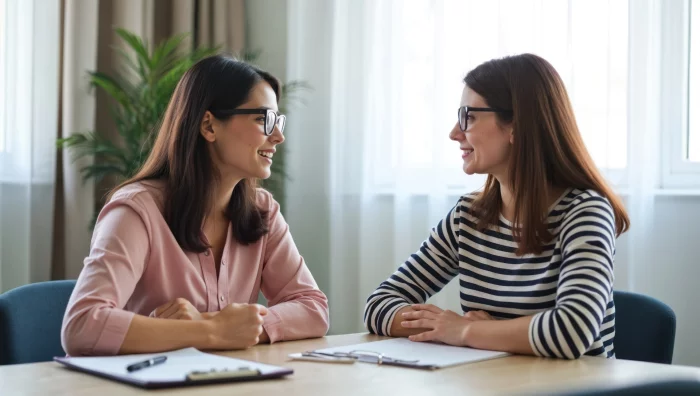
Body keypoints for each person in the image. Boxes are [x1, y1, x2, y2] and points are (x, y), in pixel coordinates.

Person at [364, 53, 629, 360]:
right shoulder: (468, 217)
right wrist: (452, 327)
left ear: (516, 125)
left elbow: (571, 331)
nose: (454, 133)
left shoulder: (585, 212)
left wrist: (465, 332)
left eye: (469, 117)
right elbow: (379, 304)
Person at [61, 55, 329, 356]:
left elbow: (313, 308)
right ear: (209, 125)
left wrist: (216, 324)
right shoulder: (135, 211)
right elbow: (82, 326)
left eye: (278, 121)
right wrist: (215, 330)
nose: (278, 136)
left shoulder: (262, 210)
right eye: (263, 119)